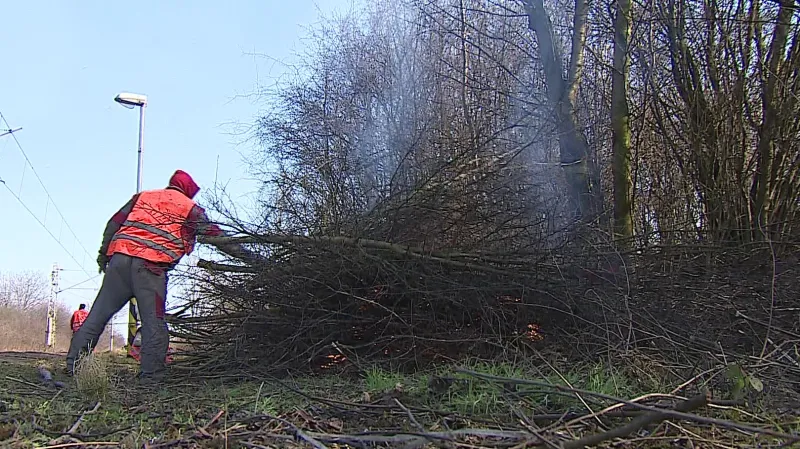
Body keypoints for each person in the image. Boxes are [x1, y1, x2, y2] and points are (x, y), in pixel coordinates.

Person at [65, 169, 255, 386]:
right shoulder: (189, 209)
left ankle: (73, 366)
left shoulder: (143, 197)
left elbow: (113, 223)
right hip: (150, 268)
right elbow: (218, 238)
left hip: (118, 262)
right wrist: (250, 258)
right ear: (188, 191)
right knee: (153, 322)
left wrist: (103, 255)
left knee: (96, 317)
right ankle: (151, 376)